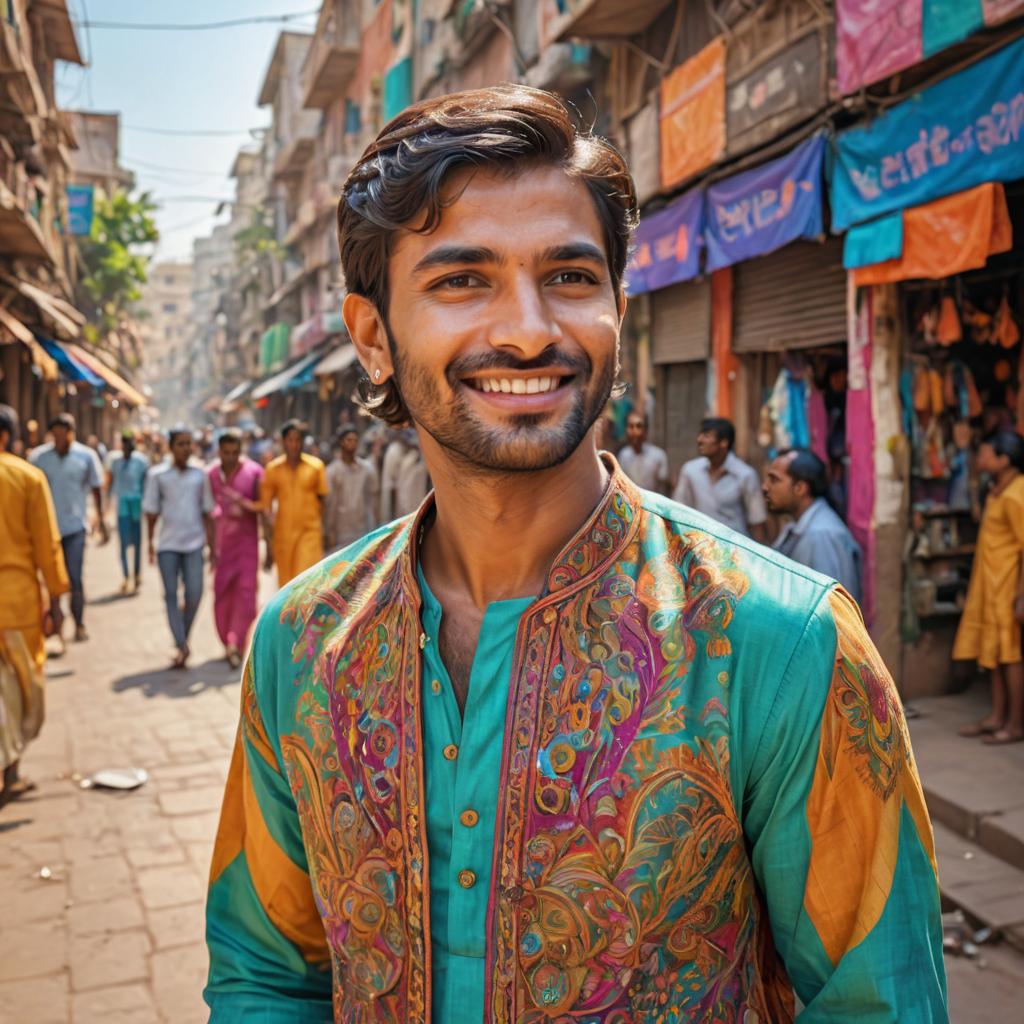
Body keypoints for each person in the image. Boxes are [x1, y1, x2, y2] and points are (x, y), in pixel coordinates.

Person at [204, 87, 946, 1022]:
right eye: (460, 280)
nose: (528, 328)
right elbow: (265, 975)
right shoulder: (300, 645)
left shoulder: (781, 644)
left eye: (570, 276)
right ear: (371, 338)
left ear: (618, 311)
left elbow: (881, 1004)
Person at [0, 405, 69, 807]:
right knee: (22, 688)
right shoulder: (27, 477)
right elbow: (47, 543)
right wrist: (57, 598)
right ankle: (11, 770)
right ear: (8, 436)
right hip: (18, 603)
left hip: (18, 600)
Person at [954, 431, 1024, 744]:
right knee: (993, 653)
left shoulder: (1017, 494)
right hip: (990, 585)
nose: (980, 459)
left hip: (1008, 587)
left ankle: (1015, 724)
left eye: (985, 453)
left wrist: (1021, 595)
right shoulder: (996, 491)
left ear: (1004, 459)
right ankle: (997, 717)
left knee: (1009, 656)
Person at [30, 413, 108, 642]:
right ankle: (57, 626)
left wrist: (100, 519)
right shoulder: (39, 458)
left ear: (71, 433)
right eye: (55, 435)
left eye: (63, 435)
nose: (59, 439)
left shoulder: (86, 456)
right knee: (52, 580)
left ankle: (79, 623)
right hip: (47, 530)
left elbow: (96, 488)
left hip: (75, 527)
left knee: (74, 578)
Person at [143, 428, 216, 669]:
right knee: (171, 595)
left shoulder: (200, 475)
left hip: (194, 543)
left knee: (195, 593)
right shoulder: (158, 475)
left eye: (188, 444)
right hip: (168, 545)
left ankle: (183, 634)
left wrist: (213, 547)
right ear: (171, 447)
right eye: (181, 444)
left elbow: (208, 512)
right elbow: (151, 512)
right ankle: (181, 643)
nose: (186, 448)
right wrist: (150, 544)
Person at [763, 448, 863, 602]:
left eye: (774, 480)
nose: (765, 487)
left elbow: (829, 609)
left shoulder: (820, 535)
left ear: (800, 488)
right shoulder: (799, 527)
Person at [208, 429, 264, 668]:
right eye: (225, 452)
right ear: (219, 451)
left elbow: (263, 507)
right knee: (222, 594)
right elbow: (206, 513)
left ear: (240, 451)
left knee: (246, 594)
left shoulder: (254, 472)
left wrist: (245, 505)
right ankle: (227, 640)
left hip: (247, 545)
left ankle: (236, 642)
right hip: (222, 547)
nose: (230, 457)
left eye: (234, 452)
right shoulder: (210, 475)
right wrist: (210, 547)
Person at [673, 417, 768, 542]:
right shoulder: (690, 471)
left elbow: (757, 521)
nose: (699, 440)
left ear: (724, 442)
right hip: (700, 548)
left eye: (706, 436)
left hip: (736, 551)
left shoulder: (745, 475)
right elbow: (679, 511)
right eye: (700, 435)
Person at [261, 420, 328, 584]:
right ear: (284, 442)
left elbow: (323, 499)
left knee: (307, 583)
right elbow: (266, 508)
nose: (294, 444)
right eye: (290, 440)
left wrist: (324, 530)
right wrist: (268, 542)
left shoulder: (316, 466)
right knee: (287, 587)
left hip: (309, 533)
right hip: (283, 537)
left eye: (298, 440)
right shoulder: (273, 469)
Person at [105, 430, 149, 594]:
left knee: (137, 543)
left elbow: (146, 483)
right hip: (122, 505)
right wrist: (107, 505)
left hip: (137, 504)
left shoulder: (141, 461)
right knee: (123, 544)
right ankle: (126, 576)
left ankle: (137, 575)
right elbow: (110, 483)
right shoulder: (115, 461)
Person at [323, 426, 379, 552]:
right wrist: (328, 531)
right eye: (349, 440)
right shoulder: (331, 471)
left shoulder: (367, 469)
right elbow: (329, 504)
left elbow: (373, 500)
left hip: (363, 529)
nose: (352, 443)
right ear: (341, 442)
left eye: (355, 440)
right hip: (340, 532)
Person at [617, 410, 669, 493]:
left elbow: (663, 487)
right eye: (631, 426)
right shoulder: (623, 455)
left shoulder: (658, 455)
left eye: (639, 426)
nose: (635, 431)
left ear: (646, 430)